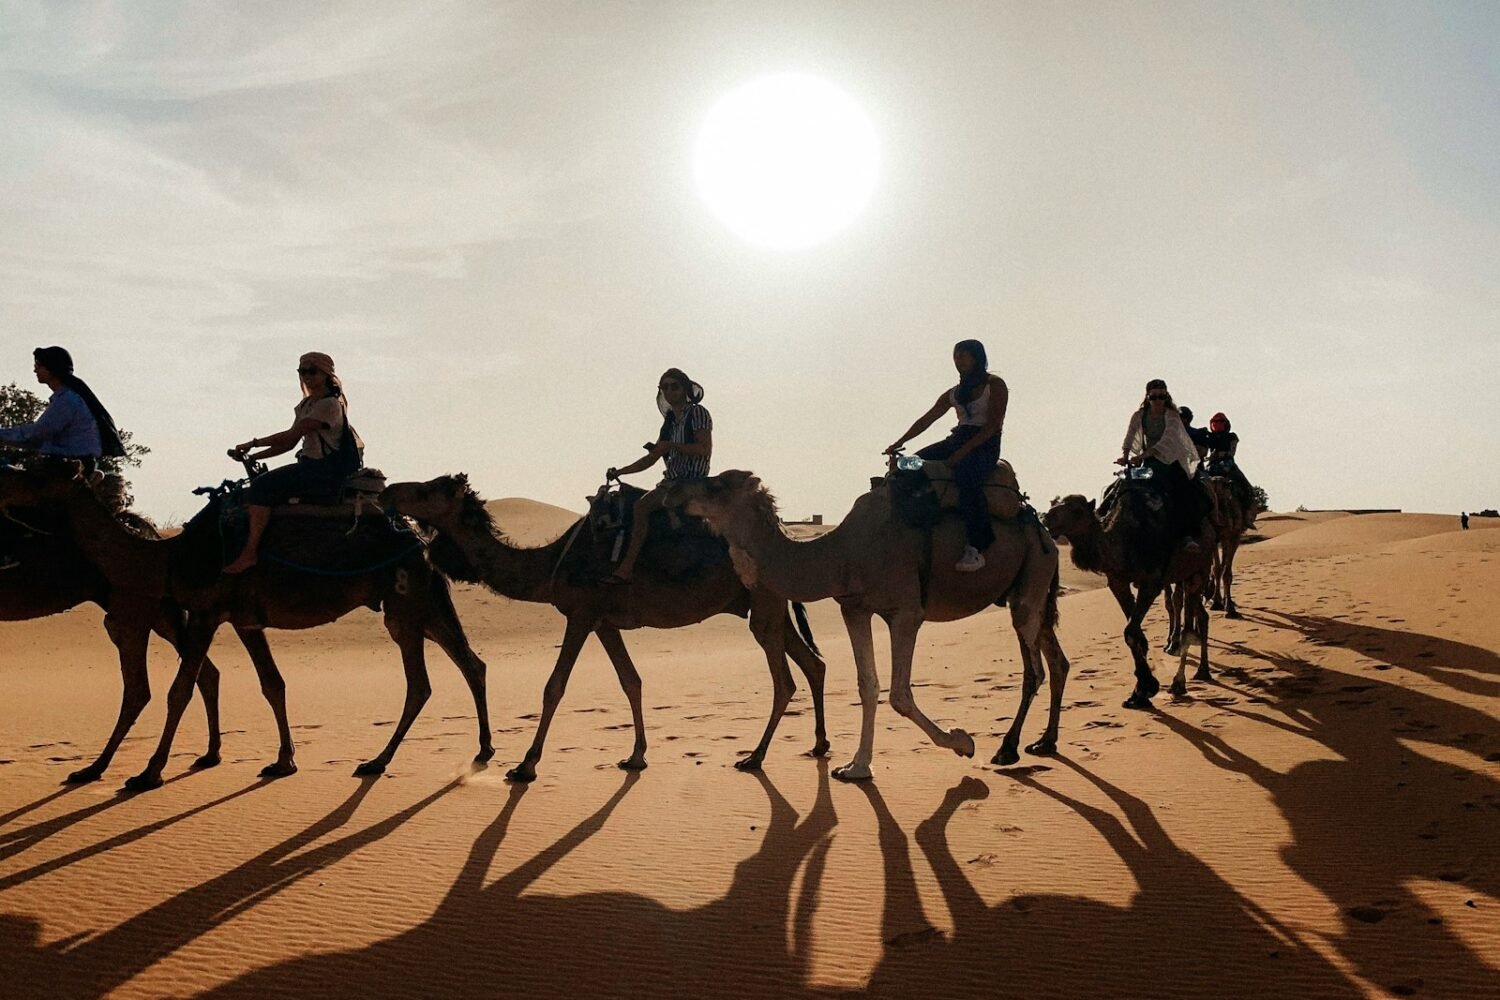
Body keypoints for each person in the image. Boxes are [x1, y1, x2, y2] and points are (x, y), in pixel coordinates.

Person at [221, 352, 363, 575]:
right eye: (302, 371)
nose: (307, 376)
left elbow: (291, 435)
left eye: (312, 371)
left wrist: (253, 444)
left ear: (326, 374)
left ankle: (250, 553)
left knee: (261, 487)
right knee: (259, 485)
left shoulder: (328, 405)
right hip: (308, 465)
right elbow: (289, 444)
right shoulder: (307, 404)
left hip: (322, 470)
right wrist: (254, 457)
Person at [884, 340, 1007, 572]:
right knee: (908, 465)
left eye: (963, 355)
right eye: (956, 356)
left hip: (984, 444)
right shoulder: (955, 393)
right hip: (957, 439)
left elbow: (992, 426)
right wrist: (900, 442)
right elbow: (926, 420)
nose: (958, 360)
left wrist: (961, 454)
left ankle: (976, 546)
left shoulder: (994, 385)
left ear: (977, 357)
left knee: (967, 479)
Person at [0, 346, 126, 570]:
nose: (35, 370)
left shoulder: (67, 401)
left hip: (65, 468)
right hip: (68, 465)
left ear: (52, 369)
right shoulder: (67, 398)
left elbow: (36, 435)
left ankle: (11, 553)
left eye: (39, 366)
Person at [601, 368, 712, 584]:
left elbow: (704, 449)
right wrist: (621, 471)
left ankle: (626, 568)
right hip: (670, 481)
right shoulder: (670, 421)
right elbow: (651, 458)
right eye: (664, 387)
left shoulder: (697, 413)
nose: (669, 391)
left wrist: (671, 446)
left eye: (674, 386)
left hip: (692, 482)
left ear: (685, 389)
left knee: (641, 507)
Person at [1117, 378, 1209, 551]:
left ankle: (1187, 536)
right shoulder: (1139, 416)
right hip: (1148, 466)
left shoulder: (1172, 416)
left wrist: (1145, 454)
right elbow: (1130, 436)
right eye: (1154, 397)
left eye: (1161, 396)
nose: (1158, 400)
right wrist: (1125, 456)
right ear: (1147, 397)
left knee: (1183, 491)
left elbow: (1168, 439)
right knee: (1124, 483)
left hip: (1170, 462)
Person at [1202, 411, 1257, 523]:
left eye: (1220, 421)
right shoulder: (1208, 437)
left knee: (1247, 487)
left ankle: (1247, 514)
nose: (1217, 423)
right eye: (1215, 421)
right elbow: (1204, 451)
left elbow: (1232, 452)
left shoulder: (1231, 437)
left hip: (1228, 465)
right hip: (1211, 466)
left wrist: (1217, 455)